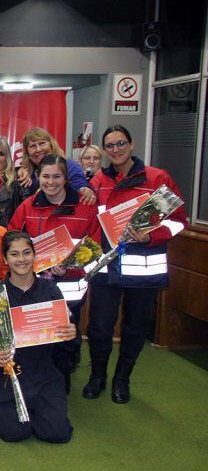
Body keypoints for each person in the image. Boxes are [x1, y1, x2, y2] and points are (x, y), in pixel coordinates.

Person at [83, 125, 187, 404]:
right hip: (108, 267)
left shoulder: (157, 178)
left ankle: (122, 379)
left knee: (134, 327)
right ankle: (98, 376)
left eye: (120, 144)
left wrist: (152, 235)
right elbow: (90, 221)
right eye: (109, 146)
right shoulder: (97, 182)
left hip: (144, 267)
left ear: (131, 144)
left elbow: (179, 222)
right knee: (99, 327)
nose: (115, 150)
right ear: (104, 150)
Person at [8, 154, 100, 392]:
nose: (51, 182)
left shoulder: (85, 206)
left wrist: (70, 264)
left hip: (71, 286)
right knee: (37, 330)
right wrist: (37, 262)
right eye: (46, 176)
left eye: (57, 176)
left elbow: (95, 245)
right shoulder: (28, 206)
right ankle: (36, 376)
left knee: (66, 333)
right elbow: (11, 238)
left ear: (66, 178)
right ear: (39, 177)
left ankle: (63, 377)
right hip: (35, 284)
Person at [0, 231, 76, 443]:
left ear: (35, 255)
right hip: (8, 374)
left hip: (44, 371)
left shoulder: (51, 290)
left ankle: (43, 406)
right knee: (14, 433)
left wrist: (71, 333)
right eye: (14, 254)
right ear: (5, 259)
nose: (21, 259)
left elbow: (67, 337)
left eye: (26, 253)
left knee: (56, 434)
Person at [17, 127, 95, 204]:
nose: (39, 149)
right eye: (33, 146)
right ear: (27, 152)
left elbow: (78, 181)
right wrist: (18, 170)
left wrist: (83, 189)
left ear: (51, 145)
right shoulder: (25, 174)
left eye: (42, 143)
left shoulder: (68, 165)